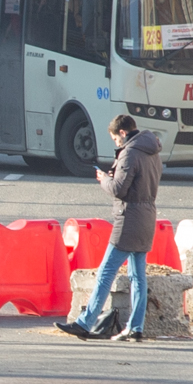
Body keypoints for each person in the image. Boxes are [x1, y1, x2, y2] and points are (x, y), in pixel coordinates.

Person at [62, 109, 162, 339]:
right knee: (138, 277)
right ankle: (136, 328)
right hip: (147, 217)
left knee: (106, 272)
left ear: (123, 133)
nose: (116, 143)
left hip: (128, 219)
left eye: (116, 139)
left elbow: (119, 189)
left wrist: (104, 179)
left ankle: (85, 323)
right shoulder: (152, 151)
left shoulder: (130, 153)